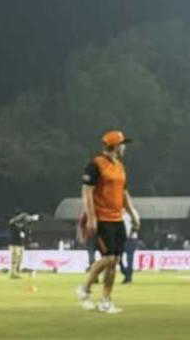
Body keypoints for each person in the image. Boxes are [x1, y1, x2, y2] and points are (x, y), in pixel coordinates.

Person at [74, 129, 140, 314]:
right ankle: (85, 288)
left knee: (114, 261)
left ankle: (106, 300)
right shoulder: (95, 164)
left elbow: (124, 193)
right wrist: (91, 218)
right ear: (116, 146)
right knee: (109, 257)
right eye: (122, 144)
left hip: (117, 219)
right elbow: (87, 192)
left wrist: (132, 214)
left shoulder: (120, 166)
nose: (124, 148)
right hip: (102, 218)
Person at [7, 208, 38, 279]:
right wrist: (23, 215)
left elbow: (28, 226)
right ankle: (13, 273)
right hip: (14, 244)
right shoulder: (13, 224)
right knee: (15, 259)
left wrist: (31, 218)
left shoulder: (24, 226)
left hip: (21, 244)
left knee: (20, 260)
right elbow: (12, 222)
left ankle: (17, 273)